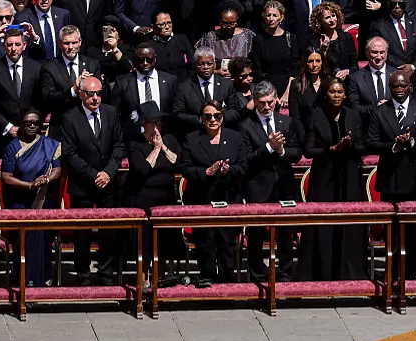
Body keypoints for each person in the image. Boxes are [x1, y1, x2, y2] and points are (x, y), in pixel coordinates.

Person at [298, 77, 367, 281]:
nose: (336, 95)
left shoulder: (353, 116)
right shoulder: (316, 116)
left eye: (339, 92)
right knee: (323, 223)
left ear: (345, 95)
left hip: (350, 175)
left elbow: (364, 146)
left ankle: (350, 273)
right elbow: (308, 150)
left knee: (350, 223)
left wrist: (350, 145)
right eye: (332, 92)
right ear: (326, 94)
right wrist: (331, 149)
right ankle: (321, 273)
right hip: (324, 176)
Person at [367, 70, 416, 281]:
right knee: (393, 233)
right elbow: (372, 142)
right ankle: (393, 275)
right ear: (390, 88)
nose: (400, 90)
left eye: (403, 86)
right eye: (395, 86)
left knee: (412, 234)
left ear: (410, 86)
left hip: (414, 179)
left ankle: (410, 277)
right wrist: (393, 146)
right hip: (390, 179)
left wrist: (412, 143)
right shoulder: (379, 112)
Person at [61, 75, 126, 285]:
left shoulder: (111, 113)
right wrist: (93, 175)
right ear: (81, 94)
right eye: (90, 94)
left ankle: (106, 273)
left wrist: (108, 173)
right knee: (83, 234)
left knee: (109, 231)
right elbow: (70, 153)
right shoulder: (70, 117)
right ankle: (83, 275)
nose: (95, 98)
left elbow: (118, 146)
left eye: (98, 93)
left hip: (108, 183)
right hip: (83, 184)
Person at [180, 99, 248, 285]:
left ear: (222, 117)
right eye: (208, 116)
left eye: (217, 116)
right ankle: (207, 280)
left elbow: (243, 166)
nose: (212, 120)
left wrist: (229, 170)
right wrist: (205, 172)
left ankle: (227, 281)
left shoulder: (235, 137)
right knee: (205, 243)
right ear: (202, 119)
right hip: (202, 198)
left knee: (227, 243)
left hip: (228, 197)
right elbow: (184, 167)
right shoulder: (192, 138)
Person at [240, 81, 302, 281]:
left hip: (284, 185)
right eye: (262, 103)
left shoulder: (286, 122)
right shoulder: (245, 125)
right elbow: (246, 159)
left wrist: (280, 151)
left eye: (270, 102)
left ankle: (284, 274)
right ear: (255, 102)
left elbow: (297, 153)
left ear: (276, 99)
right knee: (257, 234)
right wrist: (268, 147)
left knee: (286, 232)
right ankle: (258, 275)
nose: (267, 107)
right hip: (258, 186)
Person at [0, 107, 61, 286]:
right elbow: (6, 177)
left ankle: (42, 278)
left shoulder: (50, 145)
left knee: (42, 231)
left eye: (36, 123)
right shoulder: (12, 147)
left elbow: (57, 169)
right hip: (20, 202)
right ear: (21, 125)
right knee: (28, 232)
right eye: (28, 123)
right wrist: (29, 185)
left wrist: (46, 179)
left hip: (44, 201)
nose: (32, 126)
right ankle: (24, 280)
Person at [125, 101, 181, 288]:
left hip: (166, 195)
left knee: (165, 236)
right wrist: (156, 149)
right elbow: (142, 169)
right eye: (152, 122)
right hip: (143, 196)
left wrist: (163, 146)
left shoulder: (170, 139)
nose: (157, 126)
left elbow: (177, 162)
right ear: (144, 124)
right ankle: (143, 276)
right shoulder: (135, 144)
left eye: (159, 121)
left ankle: (162, 274)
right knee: (146, 238)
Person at [0, 27, 42, 155]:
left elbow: (41, 101)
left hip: (32, 133)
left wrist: (32, 124)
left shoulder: (36, 68)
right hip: (3, 134)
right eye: (9, 44)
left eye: (17, 44)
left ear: (24, 46)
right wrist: (9, 127)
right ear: (3, 45)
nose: (13, 49)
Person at [39, 25, 100, 141]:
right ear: (59, 43)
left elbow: (103, 93)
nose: (71, 47)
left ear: (80, 42)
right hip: (61, 126)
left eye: (74, 42)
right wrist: (73, 90)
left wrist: (89, 85)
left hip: (88, 126)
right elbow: (48, 98)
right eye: (66, 43)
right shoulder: (49, 67)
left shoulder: (92, 64)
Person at [113, 42, 175, 145]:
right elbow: (116, 113)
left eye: (149, 59)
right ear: (135, 60)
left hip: (164, 137)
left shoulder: (170, 80)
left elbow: (174, 111)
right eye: (141, 60)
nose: (145, 63)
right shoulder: (123, 82)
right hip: (135, 140)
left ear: (155, 58)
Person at [171, 47, 236, 140]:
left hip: (222, 136)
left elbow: (235, 110)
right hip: (196, 136)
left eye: (209, 64)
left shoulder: (227, 84)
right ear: (195, 65)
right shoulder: (183, 87)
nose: (206, 67)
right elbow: (177, 114)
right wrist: (200, 120)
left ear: (214, 64)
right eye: (201, 64)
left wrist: (218, 118)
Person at [251, 0, 300, 98]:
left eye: (275, 15)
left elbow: (294, 68)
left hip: (288, 86)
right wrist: (272, 95)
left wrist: (287, 93)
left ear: (281, 17)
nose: (271, 19)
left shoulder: (291, 38)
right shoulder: (258, 39)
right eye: (268, 15)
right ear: (264, 17)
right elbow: (258, 69)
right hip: (267, 88)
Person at [345, 36, 394, 126]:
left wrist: (391, 105)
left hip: (393, 128)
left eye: (382, 52)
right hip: (368, 127)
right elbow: (354, 108)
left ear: (387, 53)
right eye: (375, 52)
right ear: (367, 53)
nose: (379, 57)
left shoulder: (396, 75)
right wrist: (377, 107)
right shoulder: (355, 78)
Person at [196, 4, 256, 73]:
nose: (229, 26)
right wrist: (216, 72)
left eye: (232, 23)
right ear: (219, 21)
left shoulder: (247, 36)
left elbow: (256, 61)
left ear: (237, 20)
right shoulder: (210, 37)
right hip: (218, 78)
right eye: (225, 23)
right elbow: (200, 62)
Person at [370, 0, 416, 70]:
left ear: (406, 4)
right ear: (388, 4)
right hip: (392, 70)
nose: (397, 6)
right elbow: (378, 50)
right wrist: (402, 66)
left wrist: (413, 66)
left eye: (401, 4)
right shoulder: (378, 26)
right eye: (393, 4)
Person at [309, 1, 356, 78]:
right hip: (324, 80)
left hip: (346, 81)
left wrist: (347, 71)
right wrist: (323, 50)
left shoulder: (347, 37)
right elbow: (314, 67)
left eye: (333, 16)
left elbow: (354, 65)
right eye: (327, 17)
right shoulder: (314, 40)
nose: (332, 20)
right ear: (319, 21)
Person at [287, 47, 328, 133]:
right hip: (305, 135)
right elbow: (295, 118)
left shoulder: (328, 83)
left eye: (318, 61)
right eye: (310, 61)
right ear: (305, 63)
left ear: (322, 62)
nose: (314, 65)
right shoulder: (296, 85)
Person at [149, 11, 192, 80]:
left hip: (183, 85)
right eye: (162, 24)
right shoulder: (149, 45)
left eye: (169, 23)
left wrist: (187, 84)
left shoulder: (181, 39)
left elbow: (192, 64)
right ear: (153, 27)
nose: (167, 27)